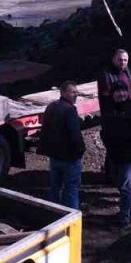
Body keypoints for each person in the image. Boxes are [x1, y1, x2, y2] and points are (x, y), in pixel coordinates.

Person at [100, 98, 131, 228]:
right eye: (117, 92)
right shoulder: (110, 110)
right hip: (115, 153)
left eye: (123, 91)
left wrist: (127, 137)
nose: (120, 94)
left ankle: (124, 219)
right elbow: (104, 128)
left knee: (124, 186)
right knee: (124, 185)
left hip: (130, 155)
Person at [39, 81, 85, 209]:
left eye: (77, 92)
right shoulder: (70, 110)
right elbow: (75, 134)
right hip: (70, 158)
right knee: (71, 189)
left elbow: (45, 130)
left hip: (55, 157)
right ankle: (71, 219)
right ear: (63, 92)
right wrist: (80, 150)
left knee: (54, 188)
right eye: (73, 92)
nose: (76, 95)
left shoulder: (51, 107)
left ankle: (53, 215)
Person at [97, 49, 131, 183]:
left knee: (122, 145)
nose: (122, 62)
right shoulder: (106, 74)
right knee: (113, 145)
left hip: (126, 114)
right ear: (113, 59)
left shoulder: (126, 71)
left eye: (125, 60)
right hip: (113, 116)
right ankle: (111, 176)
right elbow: (106, 98)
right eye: (120, 59)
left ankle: (119, 172)